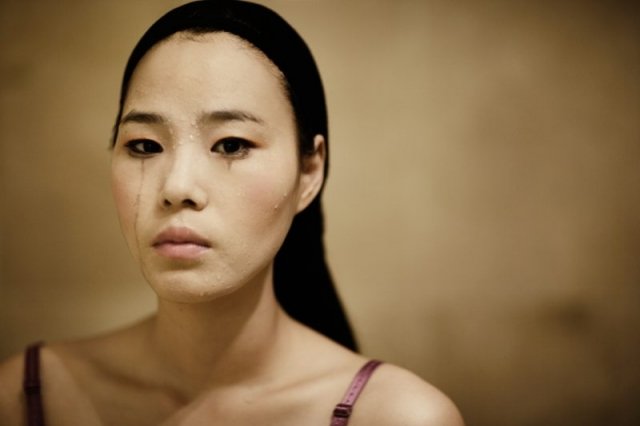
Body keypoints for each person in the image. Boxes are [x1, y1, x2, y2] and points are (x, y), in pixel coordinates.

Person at [0, 1, 464, 425]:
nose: (177, 187)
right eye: (144, 145)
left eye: (231, 145)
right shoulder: (26, 396)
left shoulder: (396, 417)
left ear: (309, 170)